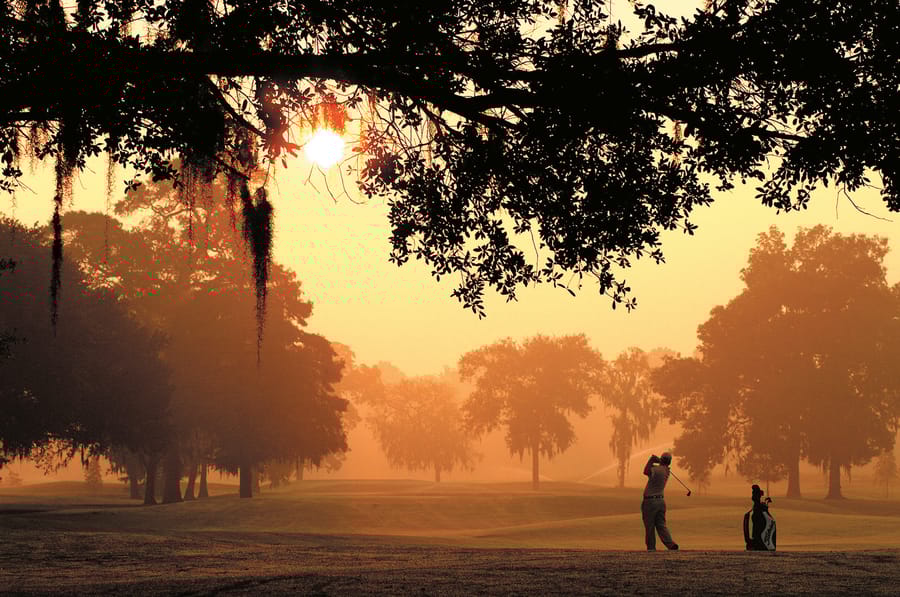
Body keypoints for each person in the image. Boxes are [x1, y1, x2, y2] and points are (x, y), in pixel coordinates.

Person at [641, 452, 679, 551]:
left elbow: (645, 471)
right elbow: (654, 468)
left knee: (649, 526)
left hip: (650, 502)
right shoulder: (667, 471)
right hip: (661, 501)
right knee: (661, 525)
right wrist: (657, 461)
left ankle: (651, 548)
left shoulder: (657, 470)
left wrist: (651, 459)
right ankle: (670, 544)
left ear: (662, 460)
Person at [745, 484, 776, 551]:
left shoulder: (755, 494)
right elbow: (756, 502)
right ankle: (758, 544)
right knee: (757, 530)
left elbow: (756, 501)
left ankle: (758, 544)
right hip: (757, 515)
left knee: (757, 530)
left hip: (757, 515)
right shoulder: (756, 494)